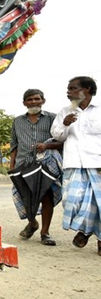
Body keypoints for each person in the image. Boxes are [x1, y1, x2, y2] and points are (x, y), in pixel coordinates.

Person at [50, 76, 101, 257]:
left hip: (97, 164)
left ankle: (97, 237)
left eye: (72, 88)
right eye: (68, 88)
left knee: (99, 203)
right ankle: (86, 229)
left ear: (86, 89)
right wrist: (65, 124)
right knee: (72, 202)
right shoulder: (65, 112)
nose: (68, 92)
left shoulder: (99, 111)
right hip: (73, 164)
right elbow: (57, 135)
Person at [9, 89, 62, 246]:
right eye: (30, 99)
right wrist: (12, 165)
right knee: (26, 197)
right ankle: (32, 223)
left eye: (37, 99)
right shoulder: (17, 121)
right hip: (23, 164)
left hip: (46, 164)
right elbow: (14, 143)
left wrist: (46, 145)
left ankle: (45, 233)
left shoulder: (53, 118)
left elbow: (63, 141)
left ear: (43, 101)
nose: (33, 102)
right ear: (24, 103)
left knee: (46, 198)